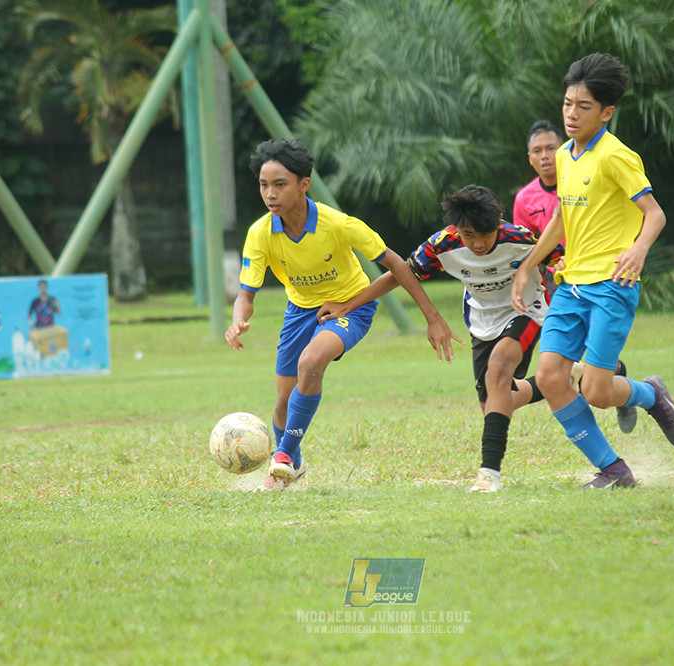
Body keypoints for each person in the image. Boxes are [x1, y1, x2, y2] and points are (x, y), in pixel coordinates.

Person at [320, 185, 631, 492]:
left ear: (498, 221)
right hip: (482, 322)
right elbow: (401, 274)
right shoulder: (442, 244)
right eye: (469, 236)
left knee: (498, 370)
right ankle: (572, 376)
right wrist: (349, 305)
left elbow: (559, 258)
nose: (478, 244)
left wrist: (561, 264)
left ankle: (489, 474)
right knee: (497, 403)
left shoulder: (520, 239)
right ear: (457, 229)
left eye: (485, 235)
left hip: (526, 312)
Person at [226, 138, 460, 491]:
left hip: (352, 306)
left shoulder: (339, 224)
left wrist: (433, 317)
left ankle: (283, 457)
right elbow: (246, 295)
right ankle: (295, 464)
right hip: (299, 311)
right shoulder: (260, 234)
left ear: (304, 185)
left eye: (279, 184)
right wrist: (237, 319)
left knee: (311, 361)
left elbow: (396, 263)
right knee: (282, 407)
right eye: (263, 185)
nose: (270, 194)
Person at [511, 53, 674, 489]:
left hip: (611, 285)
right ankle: (614, 470)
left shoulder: (617, 157)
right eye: (568, 104)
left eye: (583, 106)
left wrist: (639, 250)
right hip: (571, 285)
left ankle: (649, 394)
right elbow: (560, 220)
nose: (571, 114)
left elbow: (655, 214)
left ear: (606, 112)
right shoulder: (566, 157)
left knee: (597, 391)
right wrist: (527, 266)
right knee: (551, 376)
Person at [516, 120, 637, 434]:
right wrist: (529, 270)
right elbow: (526, 244)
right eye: (537, 151)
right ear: (528, 157)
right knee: (554, 369)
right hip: (558, 284)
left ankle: (619, 387)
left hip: (603, 278)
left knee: (580, 378)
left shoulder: (595, 169)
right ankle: (612, 383)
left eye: (550, 149)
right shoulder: (525, 199)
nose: (545, 156)